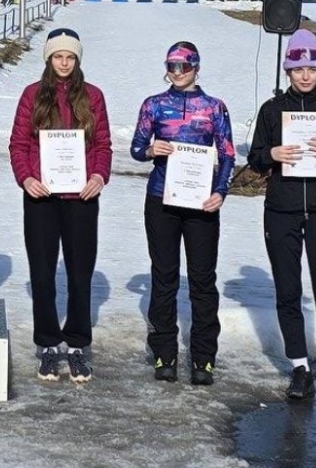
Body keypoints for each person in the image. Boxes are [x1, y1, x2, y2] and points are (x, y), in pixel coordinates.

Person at [247, 29, 316, 402]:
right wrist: (272, 155)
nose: (305, 75)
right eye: (298, 69)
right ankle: (298, 367)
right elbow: (256, 157)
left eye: (312, 68)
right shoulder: (272, 110)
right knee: (288, 290)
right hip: (282, 209)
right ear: (288, 71)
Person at [9, 28, 111, 383]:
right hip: (42, 197)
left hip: (81, 197)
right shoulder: (32, 95)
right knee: (42, 273)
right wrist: (26, 178)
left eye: (70, 57)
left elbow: (103, 146)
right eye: (58, 56)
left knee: (80, 273)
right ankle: (49, 344)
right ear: (48, 59)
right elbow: (18, 144)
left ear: (78, 59)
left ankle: (79, 344)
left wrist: (98, 176)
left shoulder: (93, 96)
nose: (64, 63)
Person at [130, 42, 235, 386]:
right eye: (171, 66)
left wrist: (220, 192)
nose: (177, 73)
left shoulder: (214, 107)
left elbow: (228, 155)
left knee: (203, 280)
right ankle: (164, 353)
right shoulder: (154, 105)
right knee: (164, 278)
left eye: (184, 66)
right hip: (162, 199)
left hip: (201, 202)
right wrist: (150, 150)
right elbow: (135, 148)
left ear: (196, 67)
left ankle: (203, 358)